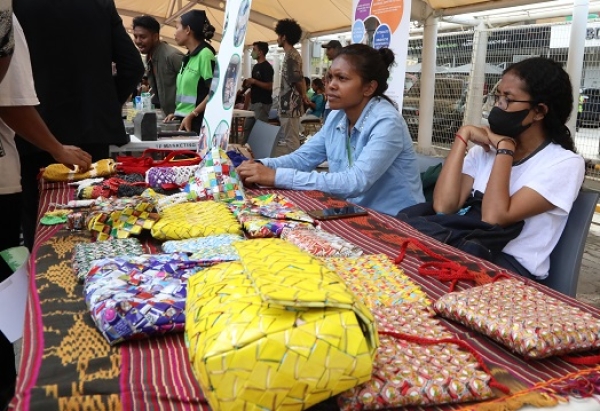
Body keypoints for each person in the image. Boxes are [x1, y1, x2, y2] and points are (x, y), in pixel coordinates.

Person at [0, 15, 92, 410]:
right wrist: (57, 149)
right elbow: (10, 100)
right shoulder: (5, 17)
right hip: (1, 181)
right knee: (4, 281)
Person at [432, 57, 585, 281]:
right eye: (498, 97)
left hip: (511, 273)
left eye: (508, 99)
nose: (498, 106)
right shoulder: (484, 149)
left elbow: (494, 218)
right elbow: (444, 206)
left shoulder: (564, 164)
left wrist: (505, 148)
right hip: (466, 250)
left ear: (539, 111)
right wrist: (462, 136)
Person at [14, 0, 144, 250]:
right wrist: (104, 105)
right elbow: (133, 65)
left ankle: (41, 281)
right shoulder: (99, 4)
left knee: (41, 219)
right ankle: (97, 278)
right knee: (94, 214)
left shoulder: (17, 5)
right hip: (91, 131)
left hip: (32, 128)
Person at [237, 44, 424, 216]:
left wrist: (276, 176)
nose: (331, 85)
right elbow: (303, 158)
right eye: (330, 77)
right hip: (354, 213)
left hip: (397, 221)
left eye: (342, 78)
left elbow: (354, 181)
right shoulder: (337, 116)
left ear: (369, 87)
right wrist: (260, 165)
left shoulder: (387, 122)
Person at [164, 10, 216, 134]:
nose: (174, 33)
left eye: (177, 28)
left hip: (198, 123)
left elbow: (214, 92)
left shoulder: (205, 55)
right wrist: (178, 114)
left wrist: (193, 114)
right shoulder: (188, 57)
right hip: (185, 119)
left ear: (187, 29)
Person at [133, 15, 184, 117]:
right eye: (135, 36)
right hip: (169, 117)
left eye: (143, 37)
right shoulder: (150, 57)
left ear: (155, 37)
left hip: (182, 118)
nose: (138, 41)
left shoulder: (172, 56)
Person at [273, 18, 309, 157]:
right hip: (291, 105)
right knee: (291, 139)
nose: (277, 39)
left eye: (279, 35)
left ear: (284, 36)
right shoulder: (292, 55)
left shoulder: (291, 56)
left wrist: (304, 96)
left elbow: (298, 80)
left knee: (291, 140)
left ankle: (295, 171)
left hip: (290, 105)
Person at [242, 41, 274, 141]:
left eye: (254, 50)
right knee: (247, 127)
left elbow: (269, 86)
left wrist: (255, 81)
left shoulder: (267, 67)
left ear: (260, 52)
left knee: (259, 130)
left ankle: (259, 151)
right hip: (254, 102)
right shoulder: (255, 67)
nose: (252, 52)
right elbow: (254, 84)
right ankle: (245, 148)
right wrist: (246, 85)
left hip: (262, 103)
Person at [321, 39, 342, 121]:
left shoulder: (340, 66)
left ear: (336, 49)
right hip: (330, 104)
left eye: (329, 49)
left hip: (336, 106)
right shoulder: (333, 66)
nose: (326, 52)